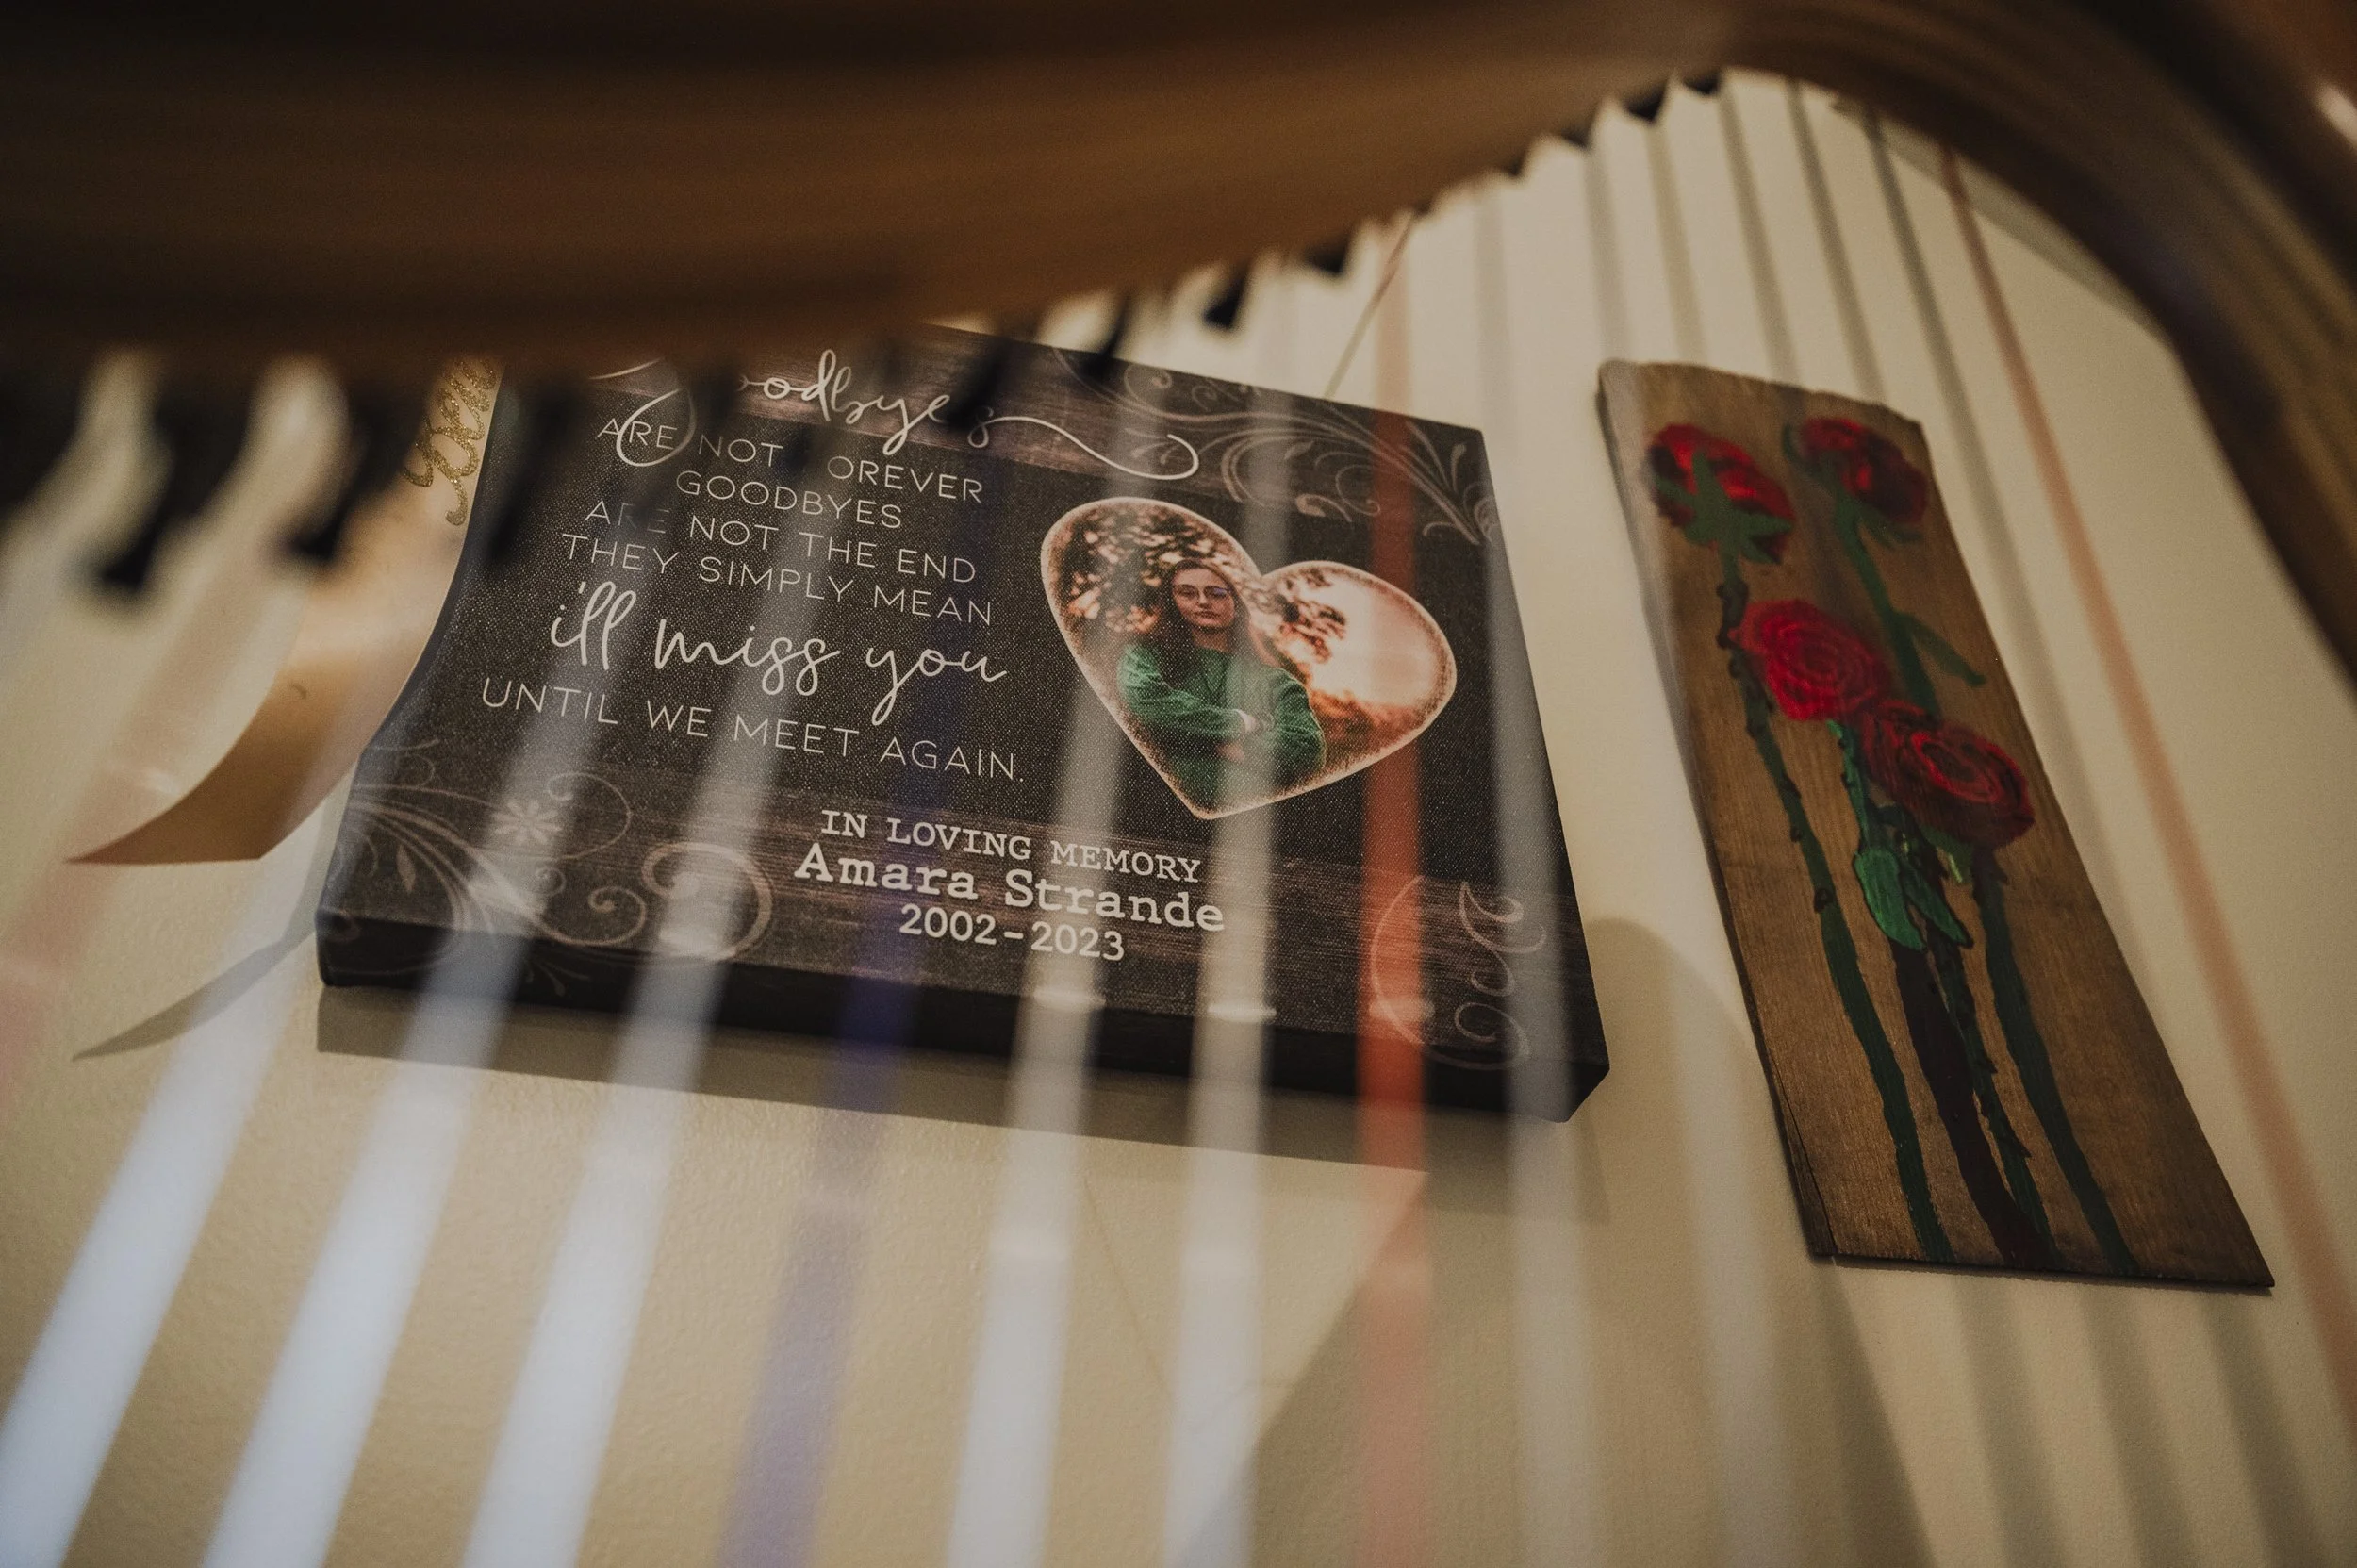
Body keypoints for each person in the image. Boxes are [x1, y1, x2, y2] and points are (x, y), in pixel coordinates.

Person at [1117, 561, 1324, 807]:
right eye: (1187, 593)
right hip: (1155, 812)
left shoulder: (1277, 682)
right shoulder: (1144, 656)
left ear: (1235, 606)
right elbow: (1146, 700)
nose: (1203, 601)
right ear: (1171, 602)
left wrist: (1242, 748)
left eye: (1216, 593)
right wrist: (1244, 723)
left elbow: (1307, 749)